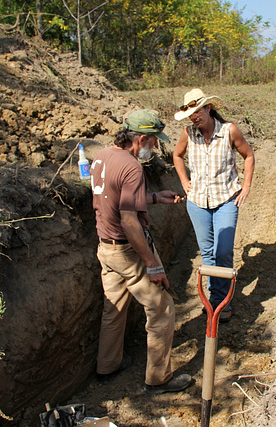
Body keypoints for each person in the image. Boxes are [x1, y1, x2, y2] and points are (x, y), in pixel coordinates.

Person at [90, 109, 193, 394]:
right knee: (162, 309)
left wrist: (152, 198)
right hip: (128, 251)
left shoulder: (101, 156)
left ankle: (107, 365)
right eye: (154, 142)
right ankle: (158, 379)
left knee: (114, 308)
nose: (156, 147)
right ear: (143, 138)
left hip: (105, 248)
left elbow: (114, 198)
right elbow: (128, 219)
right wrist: (152, 263)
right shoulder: (132, 167)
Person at [172, 88, 255, 323]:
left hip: (226, 200)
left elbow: (248, 155)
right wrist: (184, 181)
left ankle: (223, 301)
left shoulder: (229, 131)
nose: (194, 117)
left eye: (197, 111)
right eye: (190, 114)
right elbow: (177, 156)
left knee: (223, 251)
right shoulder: (188, 134)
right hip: (197, 202)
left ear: (208, 108)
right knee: (207, 253)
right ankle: (215, 300)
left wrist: (246, 186)